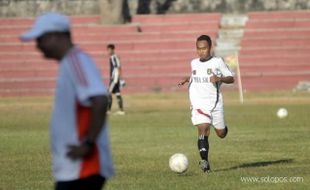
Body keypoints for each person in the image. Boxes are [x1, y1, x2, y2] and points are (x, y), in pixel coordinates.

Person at [20, 12, 114, 190]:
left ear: (57, 36)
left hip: (83, 169)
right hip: (73, 169)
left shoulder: (76, 61)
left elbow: (100, 100)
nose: (38, 46)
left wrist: (87, 143)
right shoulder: (68, 63)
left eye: (40, 39)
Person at [178, 35, 234, 173]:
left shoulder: (218, 62)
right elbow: (196, 75)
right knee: (203, 129)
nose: (201, 51)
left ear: (210, 48)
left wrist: (219, 78)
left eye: (204, 48)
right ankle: (205, 162)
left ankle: (223, 128)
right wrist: (188, 79)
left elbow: (231, 78)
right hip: (198, 103)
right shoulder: (194, 63)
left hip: (215, 103)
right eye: (198, 48)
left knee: (221, 133)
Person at [106, 44, 125, 115]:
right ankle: (121, 111)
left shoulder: (114, 57)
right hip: (115, 78)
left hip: (114, 79)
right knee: (118, 93)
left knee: (108, 93)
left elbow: (118, 67)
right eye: (107, 50)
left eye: (109, 50)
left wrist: (120, 79)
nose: (108, 51)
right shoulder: (113, 57)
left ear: (113, 49)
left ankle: (107, 111)